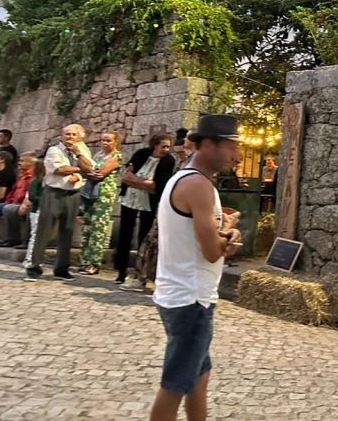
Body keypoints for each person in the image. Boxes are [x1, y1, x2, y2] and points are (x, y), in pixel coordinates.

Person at [150, 114, 242, 421]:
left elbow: (199, 239)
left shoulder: (184, 178)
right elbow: (212, 252)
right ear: (207, 145)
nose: (236, 155)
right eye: (230, 146)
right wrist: (227, 238)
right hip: (192, 299)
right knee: (175, 386)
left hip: (180, 293)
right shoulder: (198, 185)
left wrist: (224, 228)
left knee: (199, 379)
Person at [25, 124, 95, 281]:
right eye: (67, 134)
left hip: (73, 195)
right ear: (62, 136)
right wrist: (80, 170)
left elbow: (90, 167)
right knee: (45, 231)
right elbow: (59, 170)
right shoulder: (54, 150)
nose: (69, 137)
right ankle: (34, 267)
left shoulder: (82, 151)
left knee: (67, 232)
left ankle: (62, 268)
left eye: (73, 135)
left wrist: (78, 156)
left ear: (80, 137)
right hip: (54, 193)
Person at [115, 133, 175, 289]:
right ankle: (121, 271)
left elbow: (156, 186)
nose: (166, 149)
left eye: (168, 146)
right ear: (155, 145)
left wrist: (137, 181)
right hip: (130, 198)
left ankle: (139, 273)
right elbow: (126, 176)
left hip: (148, 202)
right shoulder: (141, 154)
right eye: (163, 146)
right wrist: (142, 183)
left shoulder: (168, 161)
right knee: (125, 234)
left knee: (144, 237)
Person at [78, 131, 124, 276]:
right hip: (90, 192)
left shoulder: (116, 156)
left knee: (98, 227)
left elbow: (99, 173)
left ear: (115, 142)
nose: (105, 143)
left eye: (108, 141)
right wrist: (89, 172)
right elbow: (86, 170)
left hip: (104, 194)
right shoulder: (98, 155)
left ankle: (94, 263)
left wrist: (90, 172)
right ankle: (84, 260)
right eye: (103, 140)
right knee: (88, 227)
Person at [0, 152, 36, 246]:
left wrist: (18, 202)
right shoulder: (22, 175)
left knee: (5, 209)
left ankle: (13, 239)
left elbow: (28, 193)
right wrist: (9, 200)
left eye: (22, 161)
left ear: (30, 164)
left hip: (22, 204)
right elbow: (13, 191)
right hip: (13, 202)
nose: (19, 163)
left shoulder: (32, 176)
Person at [20, 157, 46, 264]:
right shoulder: (35, 181)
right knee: (35, 235)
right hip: (36, 210)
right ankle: (29, 258)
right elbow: (32, 196)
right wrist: (46, 200)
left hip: (42, 210)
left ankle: (34, 257)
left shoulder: (44, 181)